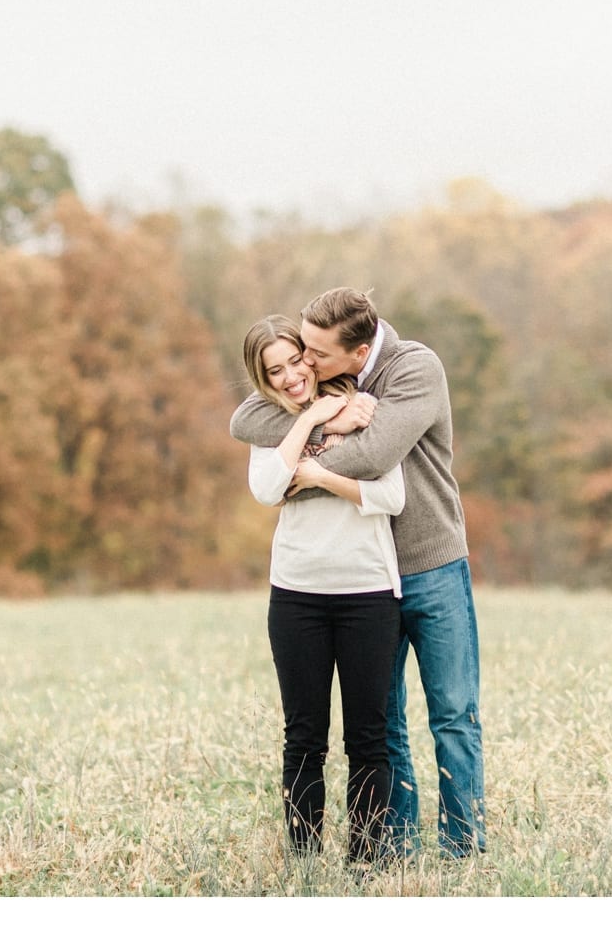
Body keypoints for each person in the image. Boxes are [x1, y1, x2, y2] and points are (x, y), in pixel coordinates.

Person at [231, 288, 485, 859]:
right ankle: (389, 848)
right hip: (374, 574)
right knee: (384, 723)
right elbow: (245, 418)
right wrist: (322, 415)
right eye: (298, 354)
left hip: (431, 559)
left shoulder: (411, 370)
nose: (305, 364)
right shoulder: (326, 390)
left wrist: (301, 470)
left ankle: (463, 848)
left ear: (357, 352)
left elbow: (375, 460)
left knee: (452, 713)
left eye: (314, 353)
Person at [240, 314, 406, 869]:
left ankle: (367, 863)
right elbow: (266, 488)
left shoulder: (365, 410)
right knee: (304, 739)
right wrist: (311, 419)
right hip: (296, 595)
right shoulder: (271, 427)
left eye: (296, 361)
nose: (291, 376)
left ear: (311, 357)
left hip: (369, 592)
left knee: (369, 738)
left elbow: (391, 496)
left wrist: (312, 476)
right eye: (275, 371)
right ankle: (306, 863)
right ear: (263, 380)